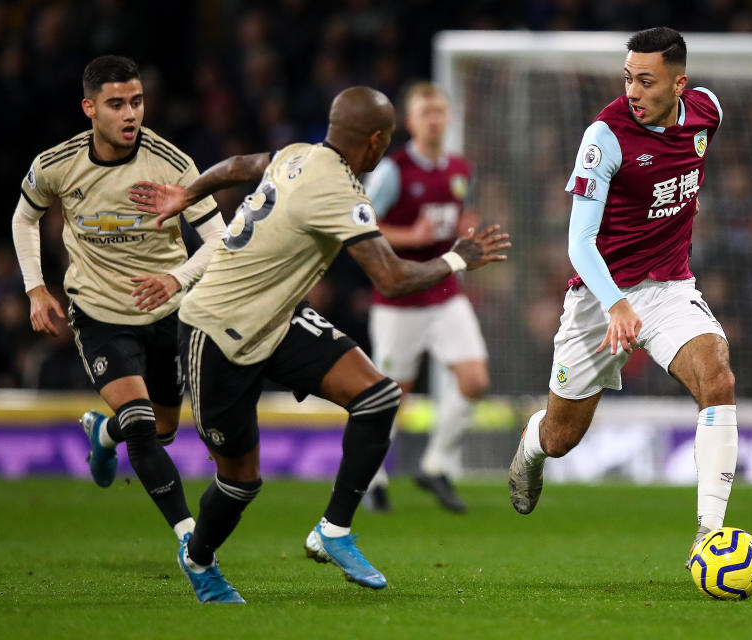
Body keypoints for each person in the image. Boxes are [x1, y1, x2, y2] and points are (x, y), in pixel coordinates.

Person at [129, 86, 509, 602]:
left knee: (378, 397)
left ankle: (333, 530)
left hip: (278, 318)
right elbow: (392, 279)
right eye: (389, 137)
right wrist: (459, 259)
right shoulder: (336, 191)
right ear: (375, 141)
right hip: (217, 331)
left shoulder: (296, 153)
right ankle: (198, 559)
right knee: (241, 481)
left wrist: (188, 193)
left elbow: (242, 163)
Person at [507, 27, 739, 567]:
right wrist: (615, 304)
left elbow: (684, 162)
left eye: (646, 81)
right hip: (599, 297)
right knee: (564, 436)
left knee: (718, 378)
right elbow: (579, 243)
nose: (632, 91)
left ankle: (710, 537)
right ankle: (531, 445)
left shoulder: (708, 111)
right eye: (627, 78)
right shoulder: (604, 136)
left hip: (668, 289)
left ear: (680, 84)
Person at [11, 55, 227, 544]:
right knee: (144, 428)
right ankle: (193, 543)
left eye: (137, 102)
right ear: (90, 108)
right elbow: (24, 218)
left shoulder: (172, 163)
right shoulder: (56, 165)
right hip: (100, 315)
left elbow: (221, 237)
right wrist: (35, 287)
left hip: (168, 314)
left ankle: (102, 435)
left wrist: (176, 278)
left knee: (165, 429)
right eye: (116, 104)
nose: (130, 114)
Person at [361, 82, 487, 513]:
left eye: (439, 110)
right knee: (394, 395)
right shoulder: (393, 170)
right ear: (411, 122)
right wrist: (409, 235)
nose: (434, 118)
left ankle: (436, 466)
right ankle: (371, 477)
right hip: (400, 298)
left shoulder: (460, 169)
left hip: (447, 292)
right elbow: (364, 223)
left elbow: (458, 219)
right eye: (425, 112)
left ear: (448, 117)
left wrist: (467, 232)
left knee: (474, 380)